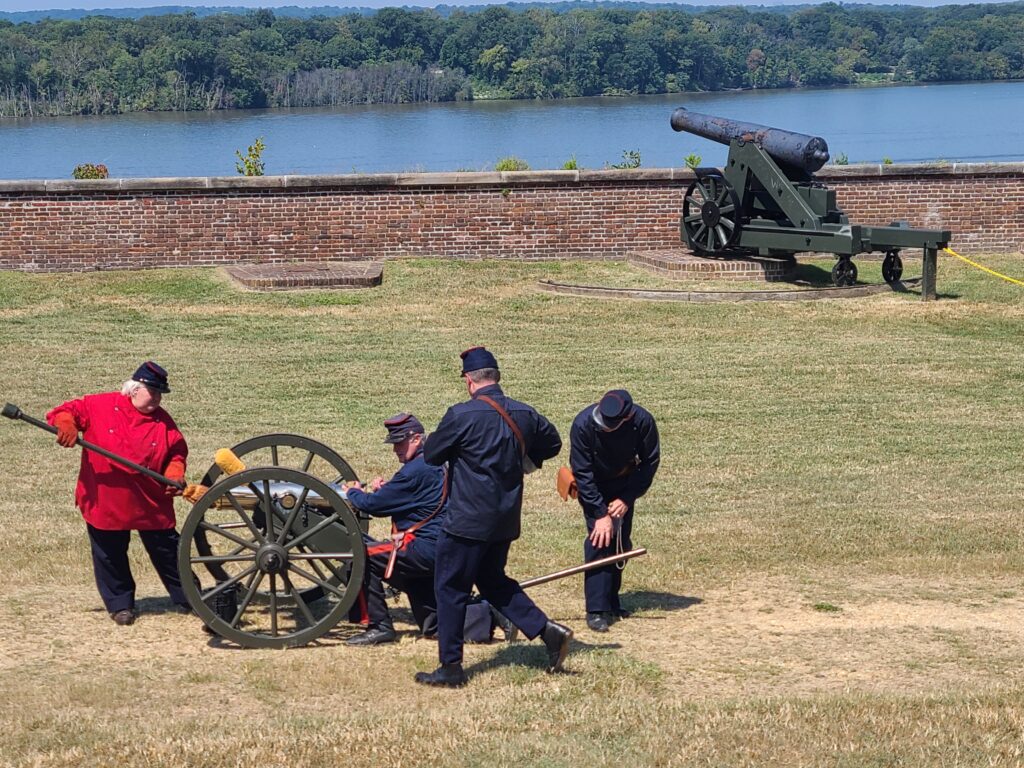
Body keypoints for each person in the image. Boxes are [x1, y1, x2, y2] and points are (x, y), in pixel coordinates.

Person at [415, 346, 572, 688]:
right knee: (492, 582)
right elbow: (553, 443)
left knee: (450, 588)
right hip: (504, 520)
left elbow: (431, 455)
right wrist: (524, 457)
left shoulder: (461, 415)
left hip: (466, 521)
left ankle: (451, 667)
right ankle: (547, 631)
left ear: (469, 381)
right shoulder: (525, 413)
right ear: (496, 377)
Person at [46, 361, 190, 626]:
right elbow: (66, 411)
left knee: (169, 551)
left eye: (160, 394)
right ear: (134, 389)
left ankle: (189, 597)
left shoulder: (163, 421)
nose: (157, 398)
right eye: (152, 392)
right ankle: (120, 605)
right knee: (109, 554)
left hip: (149, 499)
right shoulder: (98, 405)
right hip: (106, 499)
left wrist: (174, 472)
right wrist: (65, 423)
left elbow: (177, 452)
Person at [342, 412, 447, 646]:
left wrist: (353, 492)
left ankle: (379, 627)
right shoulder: (432, 462)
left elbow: (373, 506)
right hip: (437, 545)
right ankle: (489, 614)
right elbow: (413, 495)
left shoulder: (414, 471)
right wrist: (388, 489)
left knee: (361, 557)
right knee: (434, 625)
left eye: (400, 443)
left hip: (422, 548)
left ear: (416, 439)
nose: (395, 449)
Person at [569, 389, 660, 632]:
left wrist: (627, 498)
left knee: (621, 543)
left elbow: (649, 462)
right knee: (600, 541)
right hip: (593, 487)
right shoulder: (582, 424)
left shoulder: (643, 422)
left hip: (624, 485)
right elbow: (582, 473)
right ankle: (596, 610)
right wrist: (600, 514)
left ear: (627, 417)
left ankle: (611, 601)